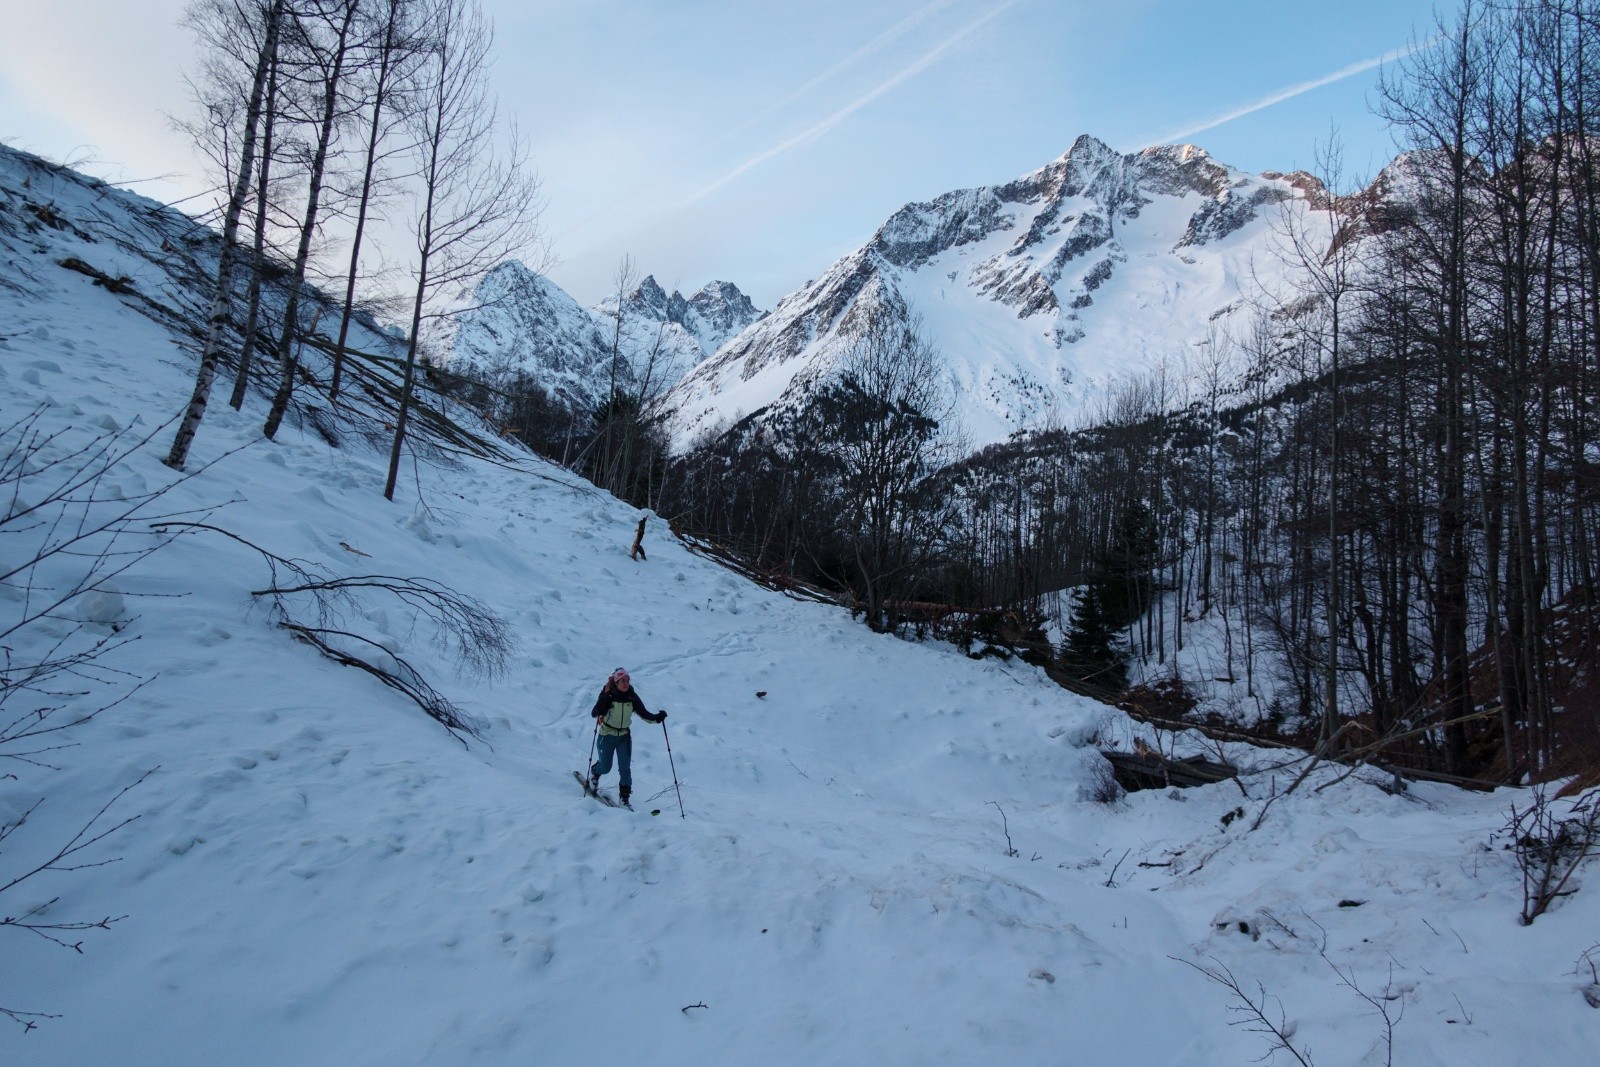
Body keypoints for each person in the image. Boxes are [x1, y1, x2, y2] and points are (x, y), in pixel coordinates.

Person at [589, 667, 665, 806]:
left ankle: (624, 799)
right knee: (605, 767)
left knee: (625, 768)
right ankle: (595, 772)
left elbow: (644, 714)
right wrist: (604, 698)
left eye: (627, 680)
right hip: (607, 734)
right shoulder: (610, 696)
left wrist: (657, 718)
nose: (625, 683)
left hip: (623, 736)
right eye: (622, 680)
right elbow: (595, 713)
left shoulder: (632, 697)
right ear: (616, 682)